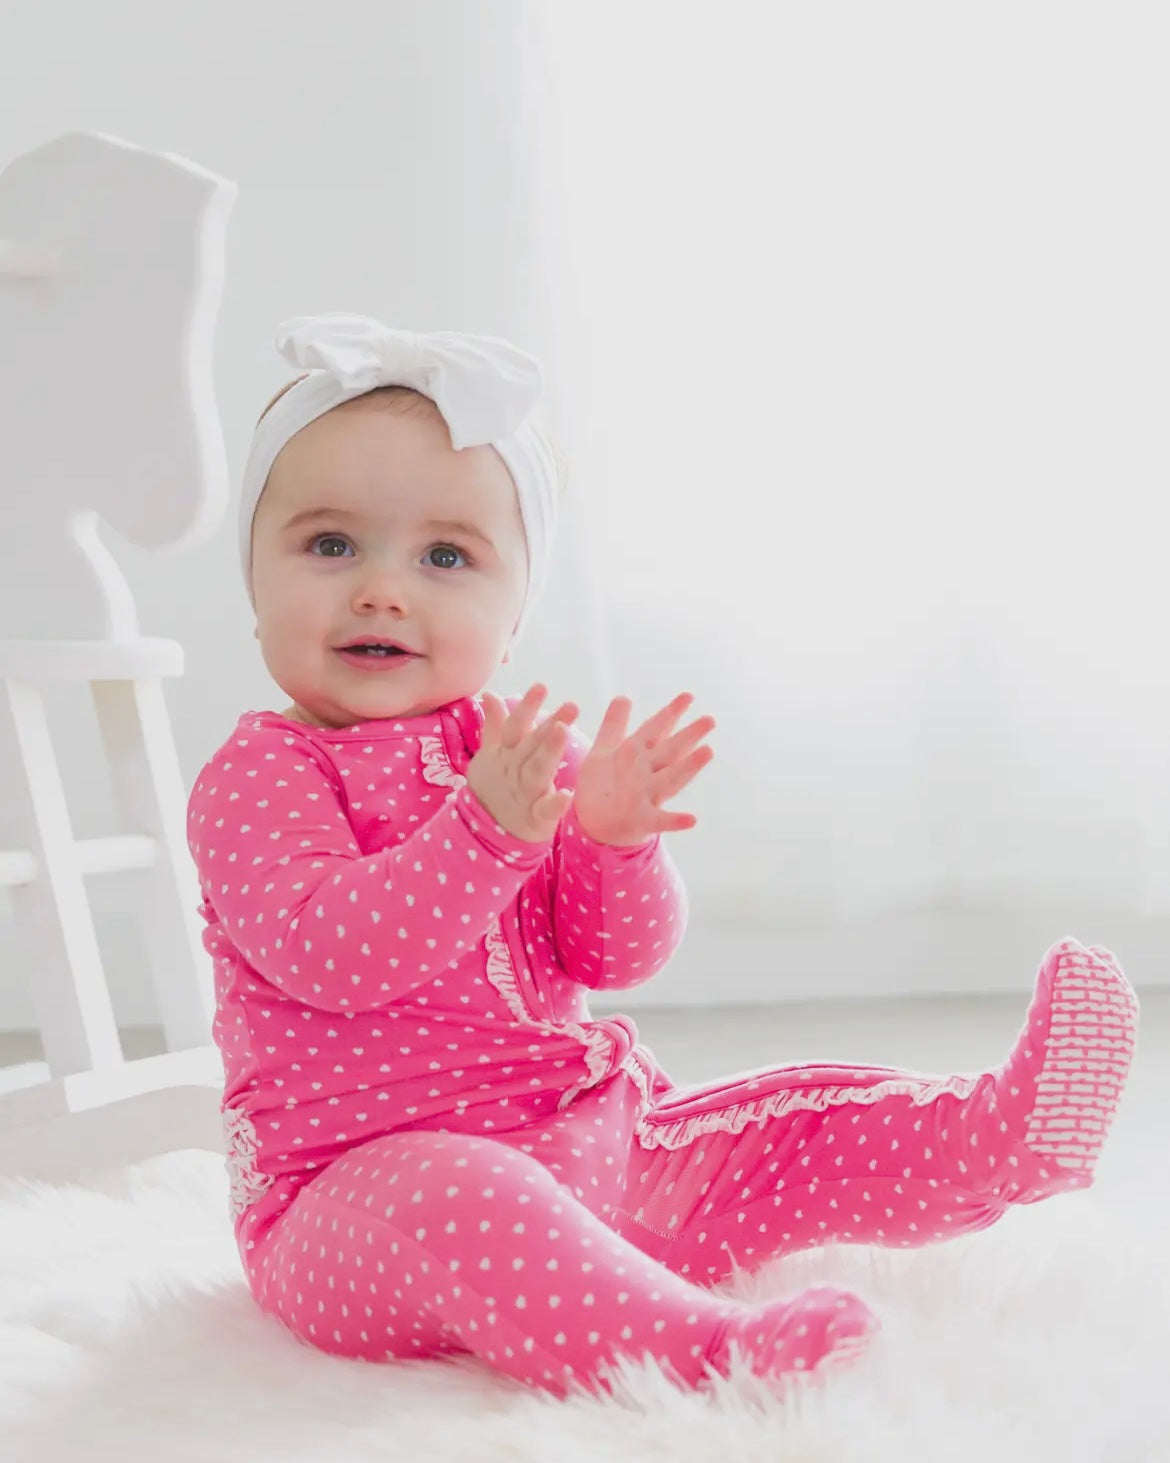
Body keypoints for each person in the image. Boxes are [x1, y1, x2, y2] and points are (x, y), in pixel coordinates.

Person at [186, 313, 1140, 1401]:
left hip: (590, 1142)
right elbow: (331, 954)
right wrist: (486, 833)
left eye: (445, 555)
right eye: (329, 544)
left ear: (512, 617)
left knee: (786, 1124)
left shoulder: (524, 755)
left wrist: (613, 841)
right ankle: (701, 1351)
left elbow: (615, 954)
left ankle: (998, 1136)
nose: (382, 589)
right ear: (253, 582)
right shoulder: (264, 772)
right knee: (464, 1195)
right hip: (351, 1198)